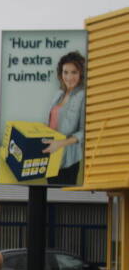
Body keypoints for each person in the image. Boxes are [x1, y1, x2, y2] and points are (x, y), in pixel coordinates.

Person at [42, 50, 86, 185]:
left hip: (68, 160)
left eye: (74, 72)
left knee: (62, 199)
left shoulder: (83, 96)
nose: (69, 77)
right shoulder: (58, 94)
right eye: (65, 72)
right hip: (51, 157)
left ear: (81, 74)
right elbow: (50, 123)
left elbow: (84, 131)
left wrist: (60, 144)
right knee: (50, 198)